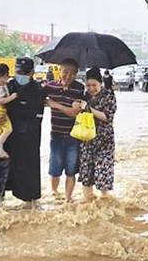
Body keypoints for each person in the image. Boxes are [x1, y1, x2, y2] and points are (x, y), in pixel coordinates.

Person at [0, 57, 45, 205]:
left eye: (25, 73)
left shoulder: (38, 90)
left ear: (32, 73)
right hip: (7, 139)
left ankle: (30, 211)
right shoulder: (7, 86)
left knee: (28, 184)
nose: (21, 76)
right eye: (19, 72)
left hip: (29, 140)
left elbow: (46, 106)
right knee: (0, 178)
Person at [44, 58, 85, 202]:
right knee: (54, 170)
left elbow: (74, 113)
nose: (68, 76)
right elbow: (37, 100)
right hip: (55, 136)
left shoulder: (79, 88)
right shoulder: (49, 87)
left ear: (76, 74)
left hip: (74, 137)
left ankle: (68, 200)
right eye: (65, 72)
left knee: (71, 170)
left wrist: (54, 104)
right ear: (59, 71)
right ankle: (55, 194)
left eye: (72, 73)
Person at [76, 67, 117, 201]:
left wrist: (88, 108)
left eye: (94, 85)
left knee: (102, 170)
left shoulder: (108, 96)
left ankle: (105, 199)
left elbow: (106, 117)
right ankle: (88, 200)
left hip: (104, 140)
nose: (91, 88)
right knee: (86, 170)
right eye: (88, 85)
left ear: (101, 83)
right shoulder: (84, 96)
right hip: (87, 138)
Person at [0, 63, 17, 159]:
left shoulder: (10, 84)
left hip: (1, 111)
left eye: (5, 76)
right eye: (0, 76)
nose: (3, 79)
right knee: (7, 129)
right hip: (0, 111)